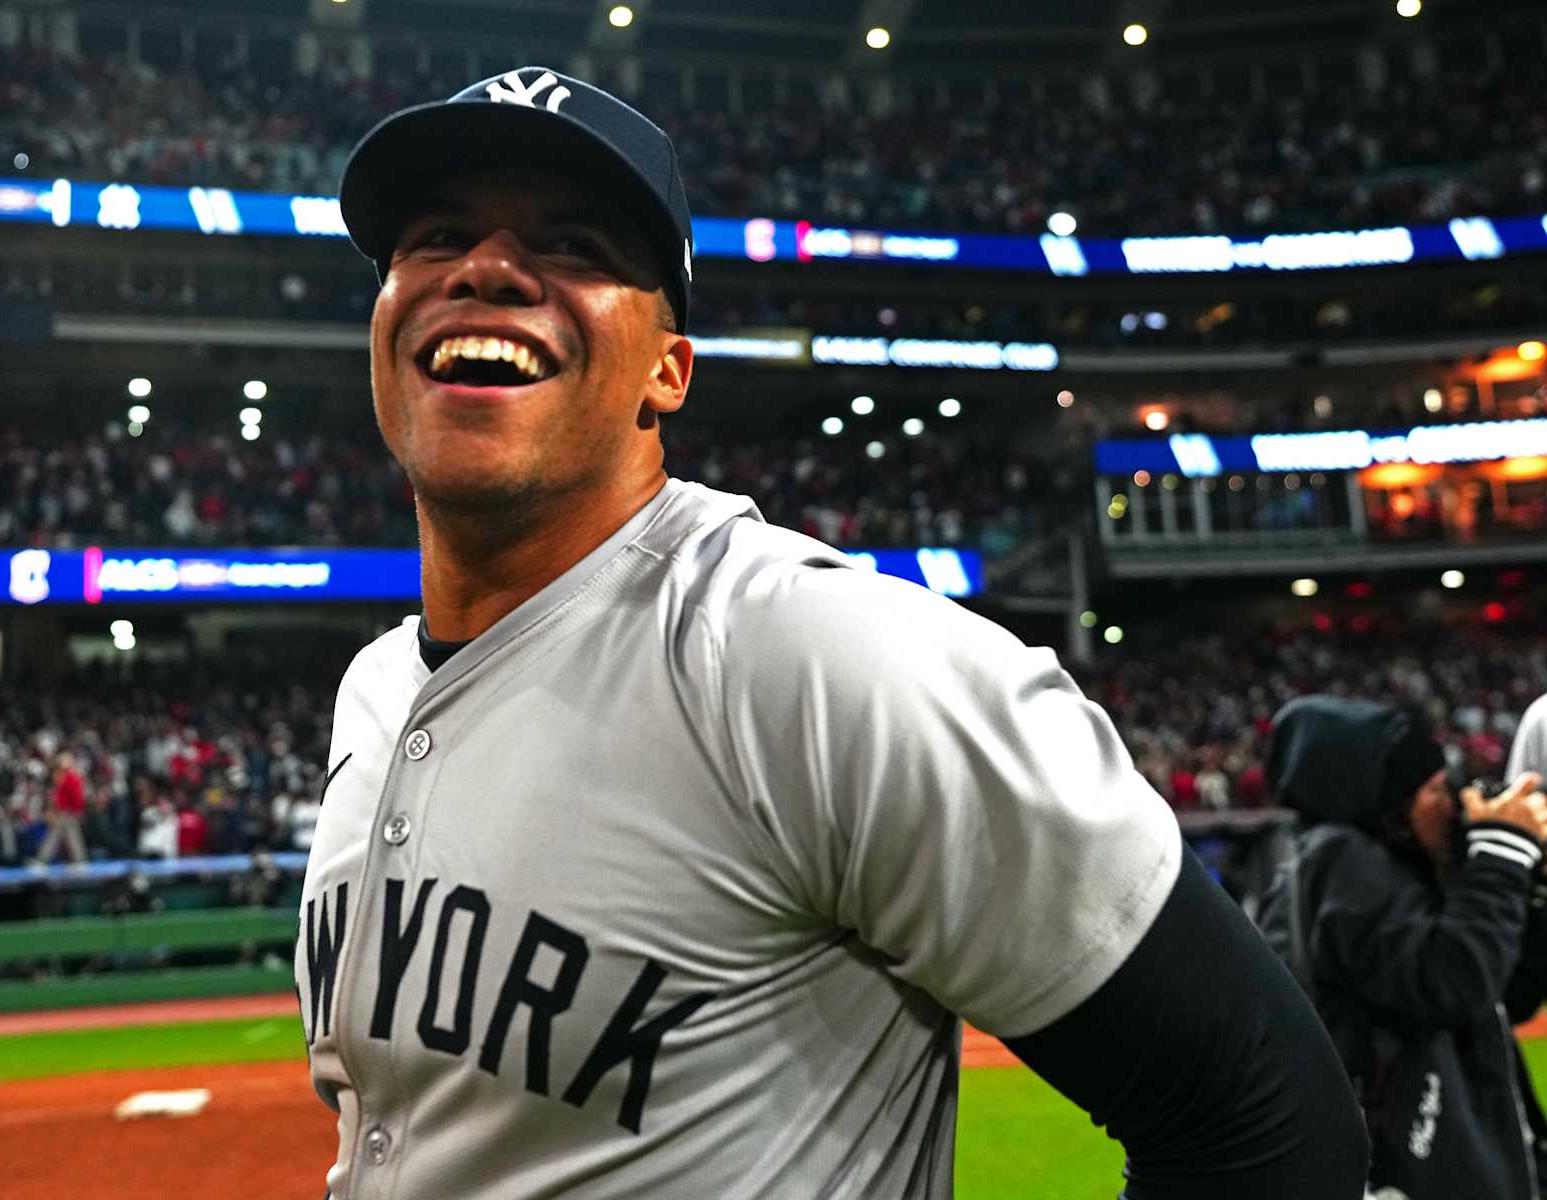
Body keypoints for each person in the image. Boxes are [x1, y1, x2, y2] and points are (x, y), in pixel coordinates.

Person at [296, 67, 1367, 1199]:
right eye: (435, 237)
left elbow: (1263, 1117)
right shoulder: (373, 689)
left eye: (573, 246)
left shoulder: (812, 653)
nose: (488, 269)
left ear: (668, 372)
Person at [1255, 696, 1547, 1200]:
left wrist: (1529, 885)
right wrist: (1501, 857)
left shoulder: (1388, 873)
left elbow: (1505, 996)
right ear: (1384, 801)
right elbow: (1455, 981)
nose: (1452, 803)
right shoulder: (1339, 861)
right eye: (1434, 789)